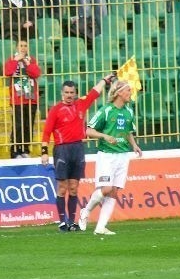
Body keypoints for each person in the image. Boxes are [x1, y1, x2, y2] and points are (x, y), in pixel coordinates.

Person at [41, 73, 113, 232]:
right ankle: (61, 221)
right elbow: (46, 132)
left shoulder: (81, 105)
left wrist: (104, 80)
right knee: (62, 187)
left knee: (74, 187)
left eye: (71, 93)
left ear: (75, 93)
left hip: (78, 149)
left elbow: (94, 93)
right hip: (61, 150)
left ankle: (72, 221)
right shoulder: (55, 110)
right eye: (66, 92)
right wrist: (44, 152)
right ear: (62, 93)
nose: (69, 95)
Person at [79, 79, 142, 235]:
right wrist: (105, 136)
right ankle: (85, 211)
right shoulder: (106, 110)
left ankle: (100, 227)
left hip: (122, 155)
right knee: (106, 189)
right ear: (119, 92)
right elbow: (88, 131)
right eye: (128, 90)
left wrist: (134, 145)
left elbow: (128, 131)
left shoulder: (129, 111)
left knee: (114, 191)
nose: (130, 93)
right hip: (107, 155)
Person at [4, 40, 40, 159]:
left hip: (31, 98)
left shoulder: (31, 59)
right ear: (16, 47)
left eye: (25, 46)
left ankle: (25, 149)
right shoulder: (11, 59)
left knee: (28, 125)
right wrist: (16, 60)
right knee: (18, 125)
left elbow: (36, 73)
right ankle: (15, 151)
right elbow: (8, 72)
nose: (23, 48)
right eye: (21, 46)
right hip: (18, 98)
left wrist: (27, 63)